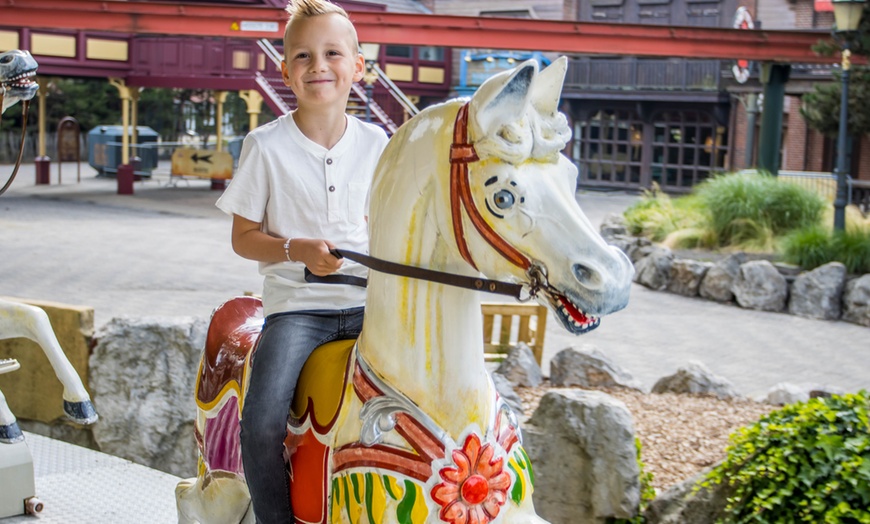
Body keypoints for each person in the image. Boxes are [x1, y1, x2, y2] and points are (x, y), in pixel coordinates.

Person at [214, 0, 389, 521]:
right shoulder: (264, 145)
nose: (319, 66)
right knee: (262, 422)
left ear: (358, 66)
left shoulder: (378, 142)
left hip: (368, 306)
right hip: (298, 310)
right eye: (303, 55)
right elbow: (243, 238)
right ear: (285, 69)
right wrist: (296, 249)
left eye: (333, 53)